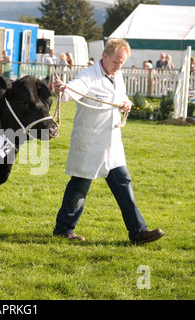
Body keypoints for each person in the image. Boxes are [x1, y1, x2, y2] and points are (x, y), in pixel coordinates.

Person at [52, 38, 165, 245]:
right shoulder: (89, 76)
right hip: (90, 143)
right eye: (116, 61)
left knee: (123, 184)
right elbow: (72, 90)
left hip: (112, 145)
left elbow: (121, 97)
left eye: (122, 62)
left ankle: (138, 232)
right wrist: (62, 88)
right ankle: (63, 229)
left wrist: (126, 104)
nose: (119, 66)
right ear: (105, 56)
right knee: (79, 187)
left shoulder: (118, 75)